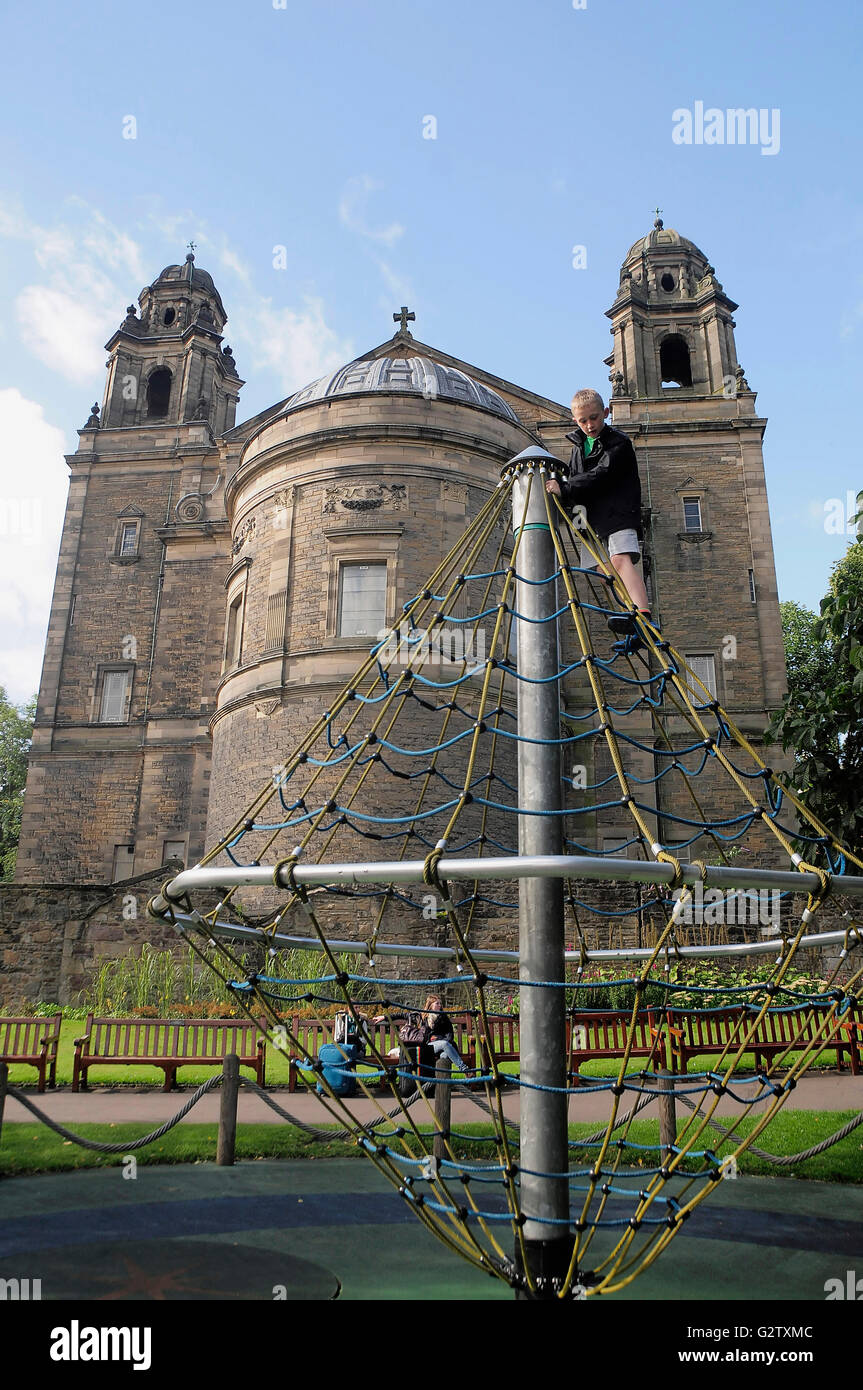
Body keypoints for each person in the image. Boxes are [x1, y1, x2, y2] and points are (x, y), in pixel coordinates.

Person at [546, 388, 653, 643]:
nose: (589, 425)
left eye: (594, 418)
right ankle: (631, 615)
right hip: (592, 520)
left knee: (620, 560)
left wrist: (566, 487)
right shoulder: (579, 447)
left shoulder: (618, 442)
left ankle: (644, 615)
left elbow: (602, 474)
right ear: (575, 420)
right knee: (603, 571)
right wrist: (560, 486)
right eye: (583, 420)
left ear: (605, 413)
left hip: (616, 512)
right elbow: (574, 477)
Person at [422, 995, 469, 1074]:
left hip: (445, 1045)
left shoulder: (443, 1017)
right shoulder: (424, 1017)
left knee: (444, 1056)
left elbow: (449, 1034)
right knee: (444, 1044)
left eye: (440, 1003)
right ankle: (465, 1069)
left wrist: (439, 1039)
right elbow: (425, 1035)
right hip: (430, 1046)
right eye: (437, 1003)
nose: (440, 1005)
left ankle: (443, 1083)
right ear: (430, 1005)